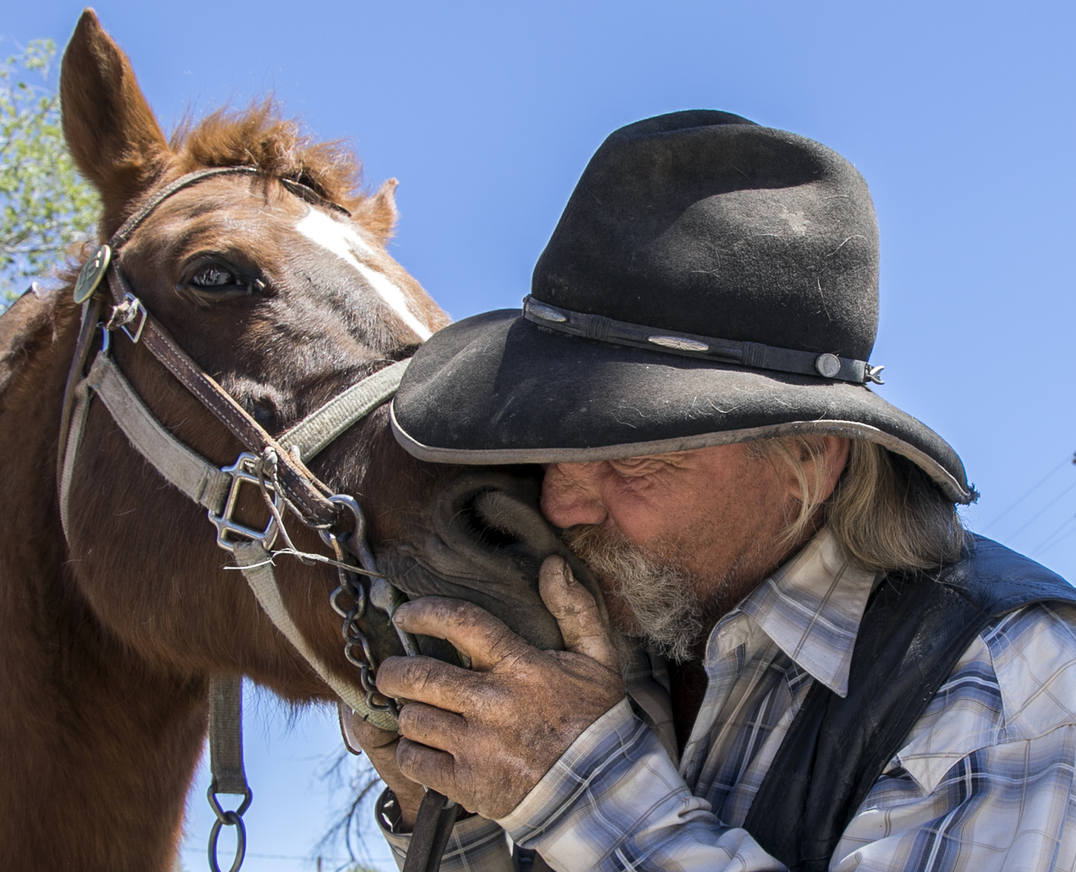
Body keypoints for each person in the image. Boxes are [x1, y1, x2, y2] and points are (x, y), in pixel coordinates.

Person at [353, 111, 1076, 871]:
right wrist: (452, 805)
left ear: (811, 458)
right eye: (550, 449)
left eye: (633, 461)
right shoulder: (640, 621)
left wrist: (579, 791)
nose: (563, 506)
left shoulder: (1010, 681)